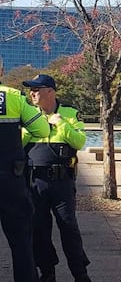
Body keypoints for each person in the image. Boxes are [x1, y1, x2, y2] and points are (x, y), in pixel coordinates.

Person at [22, 74, 91, 282]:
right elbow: (18, 143)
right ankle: (47, 271)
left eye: (37, 89)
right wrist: (27, 130)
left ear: (50, 92)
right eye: (31, 90)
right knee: (39, 229)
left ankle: (80, 273)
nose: (32, 93)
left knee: (69, 228)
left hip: (61, 182)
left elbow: (79, 142)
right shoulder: (28, 114)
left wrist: (61, 124)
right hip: (35, 182)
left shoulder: (69, 113)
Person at [0, 57, 50, 282]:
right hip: (11, 180)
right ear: (1, 70)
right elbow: (41, 130)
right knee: (21, 240)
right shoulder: (14, 97)